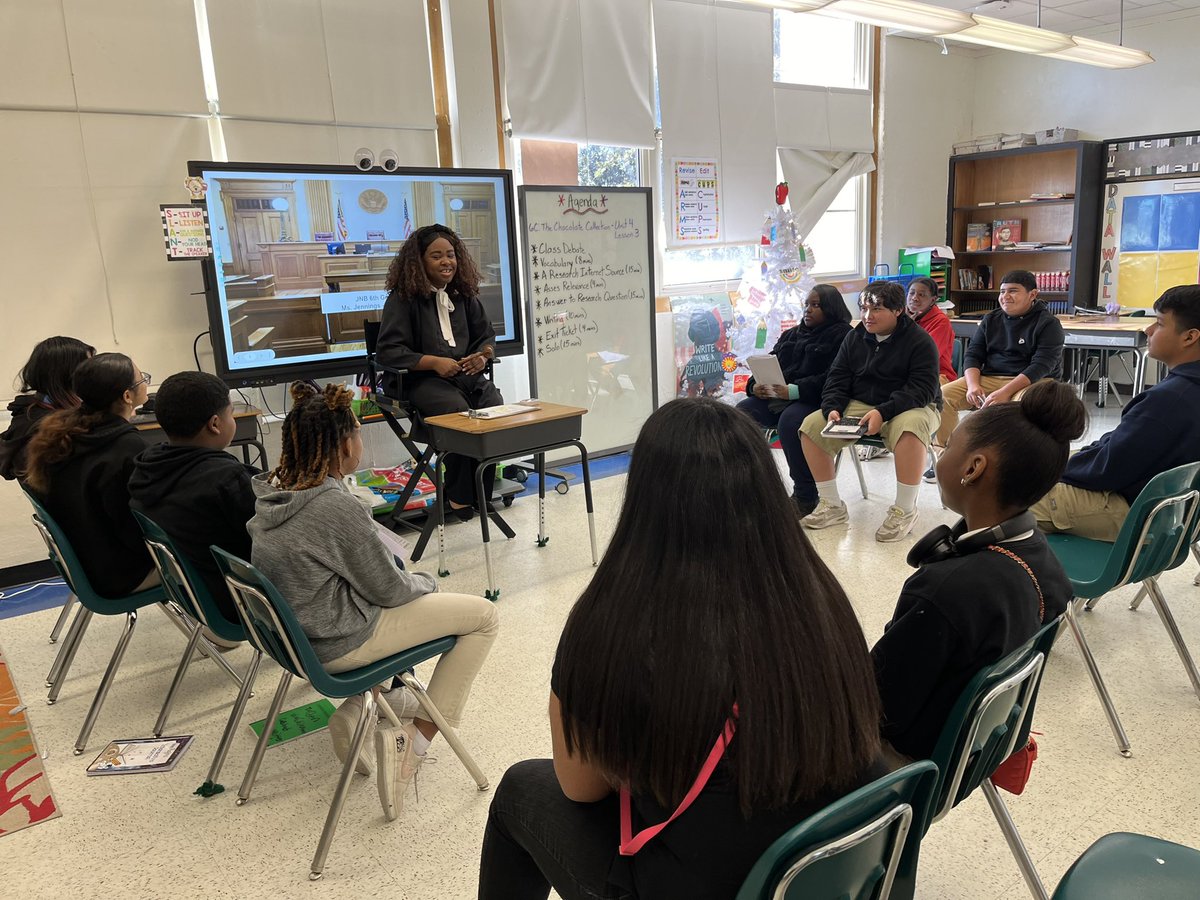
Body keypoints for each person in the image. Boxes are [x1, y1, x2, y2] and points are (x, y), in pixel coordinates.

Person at [478, 398, 886, 900]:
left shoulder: (609, 623)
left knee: (520, 790)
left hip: (706, 883)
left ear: (643, 498)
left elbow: (580, 788)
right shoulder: (819, 595)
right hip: (829, 869)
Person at [247, 381, 498, 821]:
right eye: (358, 432)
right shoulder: (330, 506)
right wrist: (426, 585)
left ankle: (357, 712)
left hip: (301, 640)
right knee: (483, 618)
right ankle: (411, 751)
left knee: (414, 606)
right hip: (342, 641)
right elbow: (390, 590)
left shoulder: (272, 494)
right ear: (344, 444)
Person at [870, 380, 1081, 761]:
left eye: (948, 445)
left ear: (973, 467)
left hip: (898, 772)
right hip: (970, 758)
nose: (941, 452)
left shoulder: (943, 590)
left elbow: (874, 708)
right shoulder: (1046, 563)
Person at [1030, 284, 1200, 541]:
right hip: (1177, 509)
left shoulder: (1169, 400)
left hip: (1141, 513)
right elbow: (1121, 446)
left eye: (1160, 323)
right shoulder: (1180, 392)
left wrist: (1052, 471)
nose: (1148, 330)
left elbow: (1107, 468)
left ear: (1190, 337)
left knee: (1007, 495)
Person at [797, 281, 942, 542]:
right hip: (863, 402)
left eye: (876, 309)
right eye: (863, 308)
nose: (867, 316)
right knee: (810, 425)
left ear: (898, 310)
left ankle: (905, 510)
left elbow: (922, 389)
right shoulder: (854, 336)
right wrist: (832, 408)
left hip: (913, 404)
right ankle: (832, 505)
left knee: (911, 428)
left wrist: (883, 413)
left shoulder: (920, 341)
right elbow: (837, 378)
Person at [377, 224, 501, 520]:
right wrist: (433, 362)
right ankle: (459, 495)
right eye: (437, 256)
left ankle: (481, 493)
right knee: (456, 412)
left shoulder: (464, 296)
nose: (447, 262)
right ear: (419, 262)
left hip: (465, 378)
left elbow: (487, 336)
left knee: (494, 407)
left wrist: (483, 357)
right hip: (419, 381)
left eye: (451, 255)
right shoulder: (402, 299)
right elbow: (389, 351)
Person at [23, 353, 158, 597]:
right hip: (120, 575)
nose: (145, 383)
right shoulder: (127, 447)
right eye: (142, 380)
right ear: (127, 397)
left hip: (87, 566)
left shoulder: (64, 433)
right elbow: (138, 530)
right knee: (208, 560)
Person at [128, 371, 256, 627]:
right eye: (231, 414)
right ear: (215, 424)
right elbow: (270, 542)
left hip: (192, 595)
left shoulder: (146, 467)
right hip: (240, 604)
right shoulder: (227, 479)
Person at [736, 284, 853, 516]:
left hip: (815, 399)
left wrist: (794, 391)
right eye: (806, 305)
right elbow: (768, 362)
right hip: (779, 396)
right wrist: (754, 386)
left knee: (790, 421)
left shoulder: (843, 335)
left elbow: (835, 378)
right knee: (742, 413)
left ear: (830, 308)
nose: (808, 310)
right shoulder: (792, 334)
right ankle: (747, 485)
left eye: (815, 305)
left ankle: (806, 494)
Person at [936, 270, 1065, 453]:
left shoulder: (1048, 323)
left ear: (1033, 294)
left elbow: (1042, 366)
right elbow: (973, 355)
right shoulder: (991, 319)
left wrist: (1005, 392)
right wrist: (973, 386)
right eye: (1002, 291)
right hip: (991, 377)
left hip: (1034, 381)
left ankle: (1010, 457)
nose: (1005, 297)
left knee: (1021, 406)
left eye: (1013, 291)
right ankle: (945, 452)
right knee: (944, 395)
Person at [1, 336, 95, 481]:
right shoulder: (52, 428)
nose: (94, 375)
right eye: (88, 369)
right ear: (68, 375)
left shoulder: (29, 412)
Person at [906, 277, 956, 385]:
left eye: (921, 295)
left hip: (937, 375)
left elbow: (926, 357)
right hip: (907, 371)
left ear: (933, 300)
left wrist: (907, 327)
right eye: (911, 293)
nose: (914, 298)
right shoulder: (901, 317)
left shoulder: (941, 322)